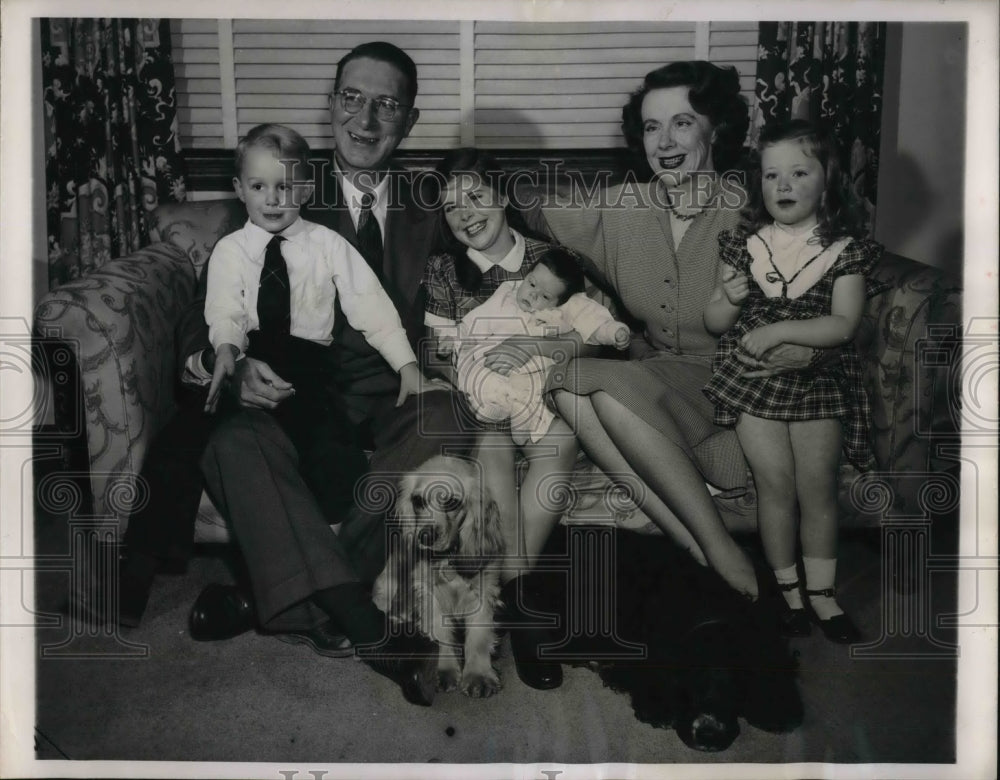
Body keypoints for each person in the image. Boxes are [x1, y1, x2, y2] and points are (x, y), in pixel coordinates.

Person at [184, 42, 478, 707]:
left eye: (386, 104)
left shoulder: (433, 202)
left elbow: (503, 247)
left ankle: (286, 600)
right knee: (231, 444)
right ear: (331, 104)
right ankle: (353, 610)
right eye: (352, 98)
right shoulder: (278, 187)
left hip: (391, 394)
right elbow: (206, 311)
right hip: (296, 394)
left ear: (410, 118)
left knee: (449, 416)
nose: (366, 120)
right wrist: (232, 370)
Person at [531, 61, 824, 601]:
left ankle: (714, 546)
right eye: (650, 126)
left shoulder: (754, 208)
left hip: (738, 383)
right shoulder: (625, 204)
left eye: (682, 123)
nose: (663, 142)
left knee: (607, 395)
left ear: (716, 131)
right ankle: (691, 539)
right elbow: (530, 208)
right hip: (662, 372)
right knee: (566, 384)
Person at [703, 120, 883, 642]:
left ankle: (824, 595)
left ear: (826, 181)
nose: (782, 185)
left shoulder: (844, 249)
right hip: (755, 380)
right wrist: (731, 299)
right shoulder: (744, 243)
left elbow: (843, 324)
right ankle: (788, 593)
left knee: (817, 488)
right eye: (770, 174)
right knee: (774, 487)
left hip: (817, 381)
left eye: (798, 173)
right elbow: (715, 322)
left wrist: (781, 327)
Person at [203, 122, 425, 528]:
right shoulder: (230, 251)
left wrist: (406, 365)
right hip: (253, 360)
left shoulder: (327, 244)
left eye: (285, 187)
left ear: (305, 190)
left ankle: (336, 545)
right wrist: (226, 350)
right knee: (236, 448)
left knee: (333, 458)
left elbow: (369, 304)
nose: (272, 199)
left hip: (312, 369)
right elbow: (225, 311)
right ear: (239, 189)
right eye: (258, 187)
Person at [421, 147, 586, 690]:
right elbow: (436, 351)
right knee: (492, 449)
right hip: (486, 401)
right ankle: (525, 605)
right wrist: (470, 369)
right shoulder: (444, 270)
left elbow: (589, 333)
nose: (465, 213)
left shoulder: (549, 258)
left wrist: (537, 349)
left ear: (504, 196)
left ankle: (511, 591)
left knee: (558, 441)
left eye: (476, 197)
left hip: (545, 397)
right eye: (451, 207)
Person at [450, 247, 630, 444]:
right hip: (499, 356)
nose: (533, 295)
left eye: (545, 297)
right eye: (532, 284)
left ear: (559, 301)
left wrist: (614, 332)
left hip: (536, 370)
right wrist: (455, 338)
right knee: (483, 372)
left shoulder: (566, 307)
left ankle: (522, 414)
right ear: (527, 275)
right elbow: (477, 320)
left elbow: (593, 321)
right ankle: (493, 404)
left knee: (537, 388)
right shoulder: (506, 295)